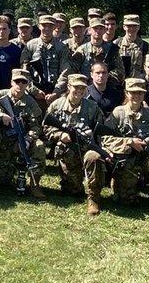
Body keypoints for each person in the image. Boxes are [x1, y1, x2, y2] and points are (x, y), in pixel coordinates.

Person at [101, 77, 149, 219]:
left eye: (140, 93)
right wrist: (129, 142)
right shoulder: (118, 113)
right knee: (126, 202)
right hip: (126, 161)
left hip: (146, 157)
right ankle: (118, 185)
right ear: (126, 93)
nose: (136, 96)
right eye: (133, 92)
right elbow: (105, 139)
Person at [44, 74, 111, 215]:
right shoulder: (56, 105)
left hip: (88, 148)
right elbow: (46, 128)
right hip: (67, 151)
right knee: (72, 192)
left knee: (94, 158)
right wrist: (60, 135)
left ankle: (94, 199)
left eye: (83, 88)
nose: (80, 91)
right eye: (76, 87)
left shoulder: (92, 107)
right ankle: (74, 185)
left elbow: (101, 131)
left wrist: (103, 148)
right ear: (69, 87)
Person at [0, 68, 48, 197]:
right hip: (2, 141)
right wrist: (0, 117)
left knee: (39, 146)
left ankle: (34, 184)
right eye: (17, 81)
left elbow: (36, 127)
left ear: (27, 84)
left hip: (22, 140)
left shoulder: (31, 103)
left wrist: (27, 140)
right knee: (2, 182)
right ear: (11, 82)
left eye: (23, 82)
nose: (20, 84)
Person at [22, 14, 68, 108]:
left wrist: (56, 92)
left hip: (56, 93)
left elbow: (65, 72)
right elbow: (24, 71)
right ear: (39, 26)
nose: (46, 28)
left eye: (50, 25)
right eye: (44, 25)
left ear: (54, 27)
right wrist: (34, 91)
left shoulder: (61, 47)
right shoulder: (30, 46)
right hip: (35, 94)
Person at [117, 15, 147, 79]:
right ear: (124, 27)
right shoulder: (116, 44)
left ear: (138, 27)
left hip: (138, 82)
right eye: (129, 26)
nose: (132, 29)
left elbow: (147, 67)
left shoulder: (145, 46)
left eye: (134, 26)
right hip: (119, 82)